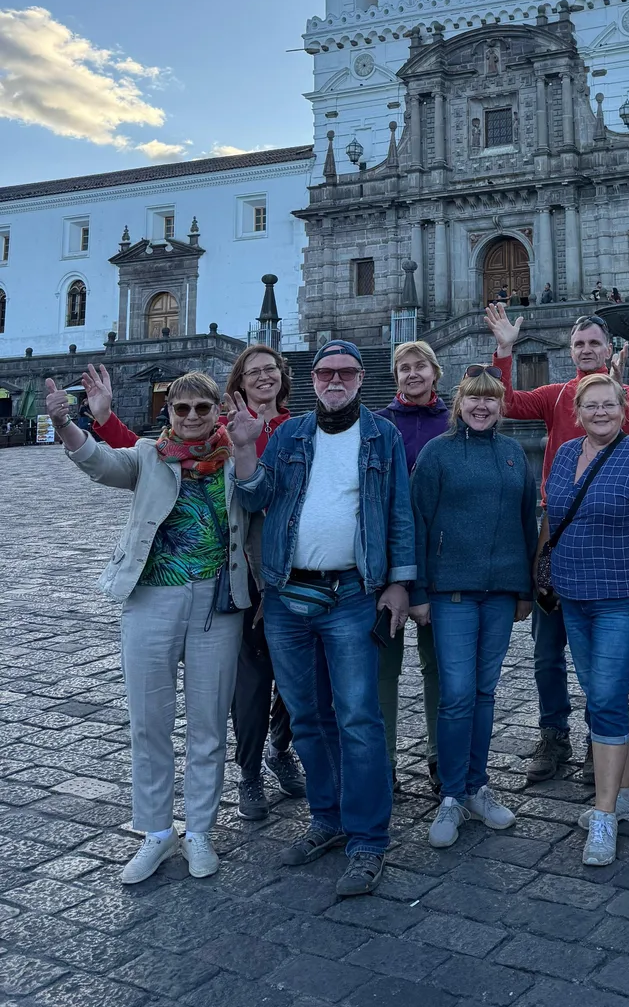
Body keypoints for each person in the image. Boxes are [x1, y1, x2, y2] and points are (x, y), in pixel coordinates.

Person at [81, 351, 308, 823]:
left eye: (270, 369)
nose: (263, 377)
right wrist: (99, 421)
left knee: (293, 678)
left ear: (283, 377)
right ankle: (246, 773)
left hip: (286, 571)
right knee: (248, 684)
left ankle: (279, 749)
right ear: (238, 385)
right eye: (253, 371)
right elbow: (142, 459)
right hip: (228, 579)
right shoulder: (212, 435)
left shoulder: (300, 428)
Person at [46, 371, 251, 884]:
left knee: (208, 724)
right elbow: (99, 463)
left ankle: (199, 829)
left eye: (202, 408)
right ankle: (157, 832)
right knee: (148, 721)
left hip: (218, 604)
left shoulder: (236, 458)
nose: (191, 417)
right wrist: (66, 425)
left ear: (217, 411)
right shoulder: (147, 455)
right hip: (152, 598)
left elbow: (261, 503)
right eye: (182, 409)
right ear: (170, 414)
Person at [229, 340, 415, 898]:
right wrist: (245, 448)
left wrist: (400, 583)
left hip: (353, 594)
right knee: (308, 718)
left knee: (358, 719)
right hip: (287, 596)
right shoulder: (289, 434)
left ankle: (368, 839)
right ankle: (328, 818)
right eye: (326, 372)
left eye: (346, 373)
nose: (336, 380)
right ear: (311, 379)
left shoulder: (383, 435)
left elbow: (399, 513)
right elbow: (256, 496)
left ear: (361, 378)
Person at [485, 304, 629, 781]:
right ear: (570, 351)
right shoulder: (556, 395)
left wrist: (611, 389)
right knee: (546, 648)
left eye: (594, 343)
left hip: (613, 536)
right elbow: (507, 403)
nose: (586, 350)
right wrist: (505, 350)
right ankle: (553, 733)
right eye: (579, 344)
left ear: (609, 348)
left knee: (603, 657)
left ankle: (603, 742)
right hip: (557, 533)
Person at [545, 374, 629, 865]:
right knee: (606, 696)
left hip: (623, 596)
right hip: (572, 596)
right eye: (591, 406)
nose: (600, 413)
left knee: (602, 699)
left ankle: (603, 815)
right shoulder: (564, 455)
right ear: (577, 413)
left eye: (609, 405)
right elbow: (551, 518)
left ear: (625, 410)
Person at [409, 367, 538, 848]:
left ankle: (477, 786)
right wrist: (418, 591)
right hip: (451, 593)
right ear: (459, 403)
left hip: (501, 592)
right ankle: (451, 794)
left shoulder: (512, 454)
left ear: (501, 406)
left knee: (485, 693)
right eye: (473, 399)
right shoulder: (437, 453)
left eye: (491, 400)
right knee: (458, 694)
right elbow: (417, 522)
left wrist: (525, 590)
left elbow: (527, 523)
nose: (482, 407)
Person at [377, 341, 447, 793]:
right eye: (403, 368)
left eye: (420, 366)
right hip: (386, 564)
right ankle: (382, 764)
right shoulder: (378, 424)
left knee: (439, 666)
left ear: (435, 372)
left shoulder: (455, 421)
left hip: (441, 563)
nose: (412, 373)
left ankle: (440, 759)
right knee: (383, 668)